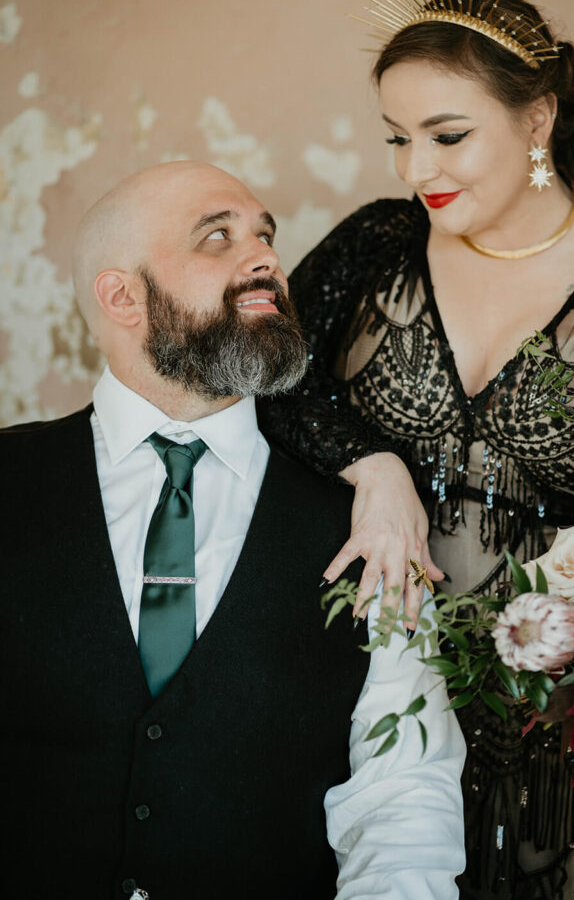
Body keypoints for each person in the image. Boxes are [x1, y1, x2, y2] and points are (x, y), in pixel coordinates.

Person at [259, 0, 574, 898]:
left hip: (557, 730)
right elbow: (268, 379)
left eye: (446, 136)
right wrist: (370, 464)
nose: (416, 170)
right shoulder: (375, 246)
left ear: (536, 121)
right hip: (362, 684)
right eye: (397, 138)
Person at [0, 161, 466, 900]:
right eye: (217, 237)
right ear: (122, 296)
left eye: (264, 236)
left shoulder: (367, 526)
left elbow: (401, 798)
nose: (265, 261)